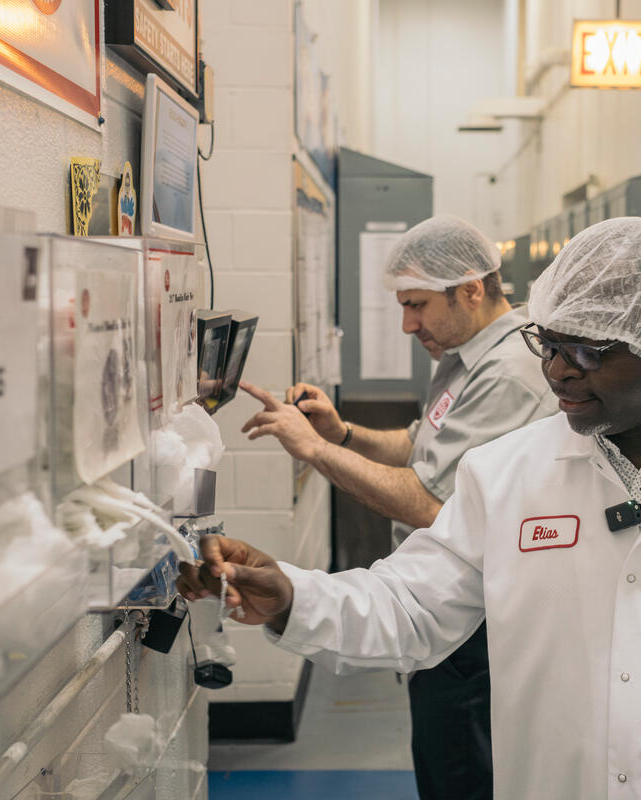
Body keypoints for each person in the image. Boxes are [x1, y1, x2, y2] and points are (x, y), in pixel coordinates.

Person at [180, 217, 641, 800]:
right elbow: (411, 606)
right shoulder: (510, 473)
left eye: (589, 353)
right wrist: (296, 595)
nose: (555, 372)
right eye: (550, 343)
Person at [234, 215, 556, 800]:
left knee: (462, 775)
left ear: (472, 289)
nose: (408, 324)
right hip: (442, 615)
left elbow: (434, 504)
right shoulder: (468, 356)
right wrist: (340, 433)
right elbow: (422, 445)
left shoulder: (510, 373)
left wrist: (311, 450)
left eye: (417, 305)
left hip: (472, 626)